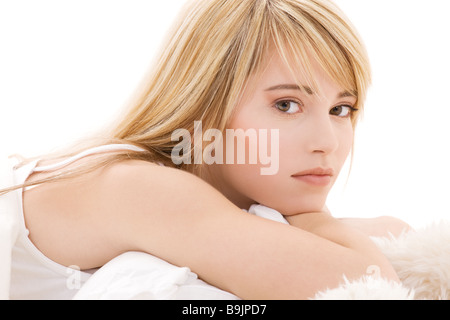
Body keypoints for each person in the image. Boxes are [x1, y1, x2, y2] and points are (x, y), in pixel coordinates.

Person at [0, 0, 410, 300]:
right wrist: (315, 219)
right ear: (204, 106)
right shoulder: (140, 187)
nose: (328, 143)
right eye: (286, 105)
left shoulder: (201, 199)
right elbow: (367, 285)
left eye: (341, 109)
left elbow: (396, 231)